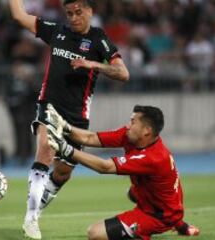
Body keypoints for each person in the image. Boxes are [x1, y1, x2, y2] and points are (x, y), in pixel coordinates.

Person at [8, 0, 129, 238]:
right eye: (69, 13)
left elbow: (123, 73)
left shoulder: (98, 39)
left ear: (90, 11)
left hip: (77, 118)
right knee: (45, 149)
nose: (73, 18)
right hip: (49, 107)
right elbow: (19, 16)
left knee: (62, 173)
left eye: (78, 12)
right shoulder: (56, 31)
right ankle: (31, 218)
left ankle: (35, 208)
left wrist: (93, 64)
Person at [46, 104, 200, 240]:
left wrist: (66, 149)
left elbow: (105, 167)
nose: (128, 125)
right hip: (162, 200)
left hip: (159, 215)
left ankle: (165, 225)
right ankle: (180, 225)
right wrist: (64, 126)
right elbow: (90, 138)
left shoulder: (153, 157)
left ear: (146, 131)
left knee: (95, 234)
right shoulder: (130, 136)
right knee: (132, 193)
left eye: (133, 122)